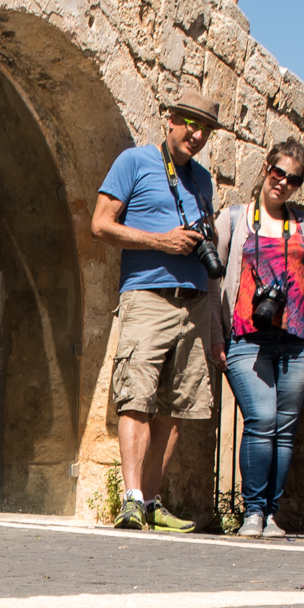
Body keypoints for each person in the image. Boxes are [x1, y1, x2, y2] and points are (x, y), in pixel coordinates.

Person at [93, 87, 225, 532]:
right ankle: (130, 499)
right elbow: (100, 224)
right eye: (190, 123)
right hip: (148, 295)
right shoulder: (134, 161)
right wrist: (160, 241)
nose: (197, 134)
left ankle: (151, 501)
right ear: (170, 119)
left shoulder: (203, 180)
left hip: (195, 303)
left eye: (206, 128)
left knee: (176, 408)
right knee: (136, 399)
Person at [209, 139, 304, 538]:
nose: (283, 183)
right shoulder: (235, 218)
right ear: (266, 168)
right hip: (247, 335)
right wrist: (216, 334)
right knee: (261, 418)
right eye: (278, 173)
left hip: (298, 336)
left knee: (284, 425)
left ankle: (272, 513)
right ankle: (253, 511)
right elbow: (213, 282)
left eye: (293, 179)